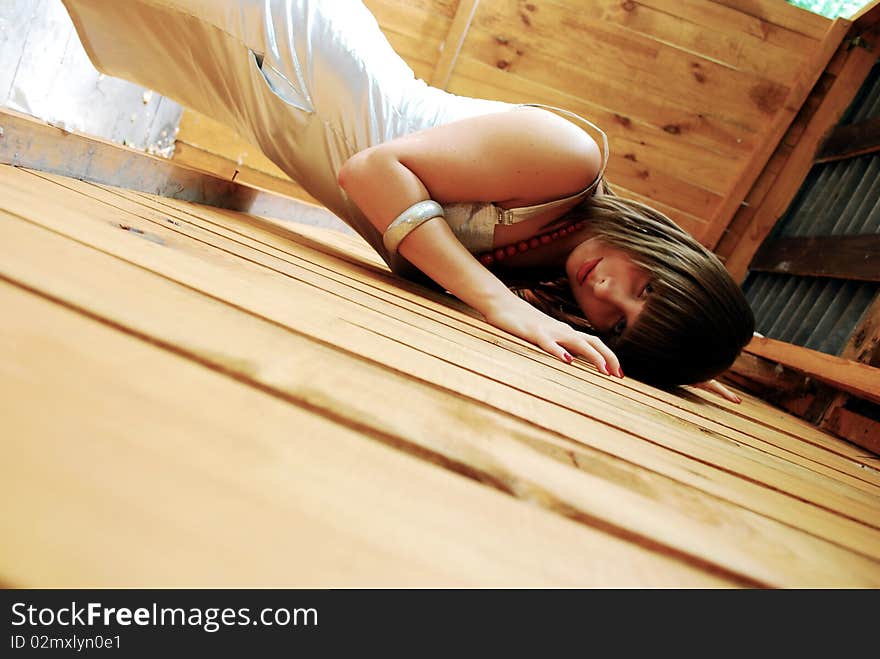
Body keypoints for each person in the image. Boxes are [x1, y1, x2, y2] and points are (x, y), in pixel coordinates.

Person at [61, 0, 754, 399]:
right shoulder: (569, 161)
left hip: (279, 106)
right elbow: (372, 172)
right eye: (649, 284)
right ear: (666, 248)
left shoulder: (548, 276)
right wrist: (498, 303)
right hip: (296, 50)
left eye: (623, 322)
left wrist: (688, 358)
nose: (610, 293)